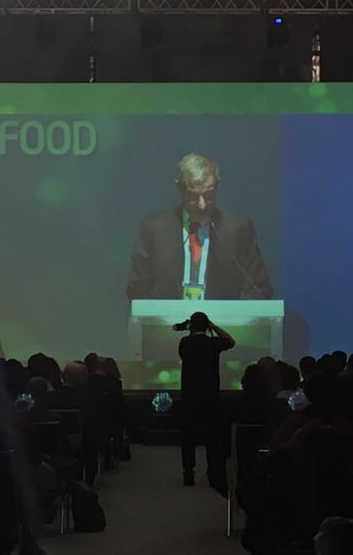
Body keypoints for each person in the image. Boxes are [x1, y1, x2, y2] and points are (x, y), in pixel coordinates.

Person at [127, 153, 273, 301]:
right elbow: (137, 290)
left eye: (209, 195)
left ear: (217, 187)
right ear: (179, 188)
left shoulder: (238, 230)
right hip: (168, 316)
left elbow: (259, 290)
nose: (202, 205)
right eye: (193, 196)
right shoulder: (154, 230)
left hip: (221, 316)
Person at [177, 310, 235, 493]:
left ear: (191, 326)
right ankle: (213, 473)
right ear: (206, 325)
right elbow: (230, 340)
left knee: (188, 436)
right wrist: (213, 326)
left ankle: (188, 473)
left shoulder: (185, 342)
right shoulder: (213, 343)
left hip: (189, 396)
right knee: (212, 437)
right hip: (210, 397)